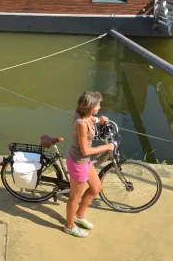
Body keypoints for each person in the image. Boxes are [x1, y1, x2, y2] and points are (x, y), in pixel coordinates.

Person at [63, 91, 115, 238]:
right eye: (98, 105)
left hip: (85, 162)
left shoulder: (82, 114)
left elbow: (89, 117)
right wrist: (106, 147)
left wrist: (98, 120)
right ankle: (69, 225)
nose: (100, 106)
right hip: (79, 163)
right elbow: (85, 150)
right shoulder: (82, 124)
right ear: (90, 106)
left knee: (96, 188)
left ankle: (79, 215)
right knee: (75, 197)